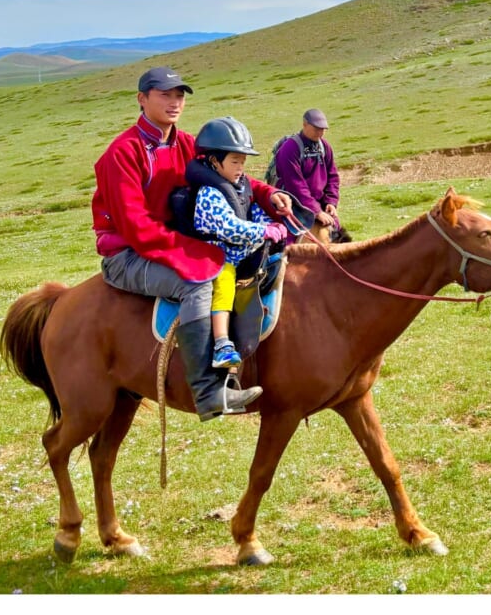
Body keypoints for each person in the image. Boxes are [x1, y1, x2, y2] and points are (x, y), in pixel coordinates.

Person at [91, 66, 292, 422]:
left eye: (179, 95)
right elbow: (136, 227)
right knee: (198, 280)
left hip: (175, 242)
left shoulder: (187, 144)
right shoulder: (122, 153)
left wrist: (269, 194)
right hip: (128, 254)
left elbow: (231, 179)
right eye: (164, 94)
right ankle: (208, 391)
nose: (174, 102)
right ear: (142, 99)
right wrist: (192, 252)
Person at [183, 117, 286, 368]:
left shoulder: (238, 187)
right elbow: (230, 228)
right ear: (214, 162)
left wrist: (271, 225)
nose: (240, 167)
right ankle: (221, 345)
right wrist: (262, 232)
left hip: (245, 255)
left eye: (243, 161)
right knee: (224, 286)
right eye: (234, 161)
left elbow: (250, 213)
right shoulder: (209, 194)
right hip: (219, 256)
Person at [273, 108, 341, 229]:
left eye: (323, 129)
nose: (320, 133)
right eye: (316, 129)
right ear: (304, 124)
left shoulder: (325, 147)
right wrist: (316, 211)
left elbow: (333, 176)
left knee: (337, 234)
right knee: (293, 242)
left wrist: (331, 202)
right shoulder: (290, 148)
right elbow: (295, 185)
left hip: (320, 203)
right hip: (294, 205)